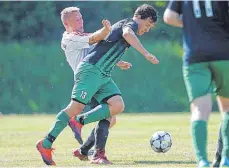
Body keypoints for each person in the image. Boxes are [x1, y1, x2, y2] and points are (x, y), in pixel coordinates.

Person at [37, 3, 159, 165]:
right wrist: (145, 53)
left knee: (116, 106)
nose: (147, 29)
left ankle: (84, 141)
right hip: (90, 72)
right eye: (148, 25)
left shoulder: (120, 25)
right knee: (78, 109)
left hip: (102, 74)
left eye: (81, 17)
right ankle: (47, 143)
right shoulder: (130, 24)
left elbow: (103, 46)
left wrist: (117, 61)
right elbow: (122, 34)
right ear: (141, 18)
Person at [163, 1, 229, 167]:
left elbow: (169, 17)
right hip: (224, 54)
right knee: (227, 108)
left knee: (200, 110)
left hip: (195, 56)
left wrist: (193, 24)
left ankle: (202, 161)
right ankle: (226, 159)